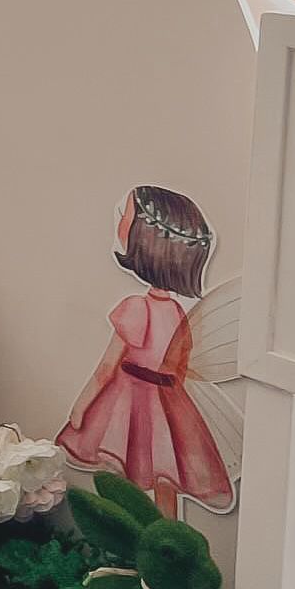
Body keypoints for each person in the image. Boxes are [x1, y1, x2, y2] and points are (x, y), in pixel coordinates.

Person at [58, 185, 235, 518]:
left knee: (119, 466)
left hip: (126, 401)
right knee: (162, 473)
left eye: (125, 217)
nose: (119, 224)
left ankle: (120, 528)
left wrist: (82, 405)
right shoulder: (177, 313)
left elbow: (106, 367)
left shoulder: (138, 308)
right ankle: (165, 531)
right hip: (167, 405)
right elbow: (180, 365)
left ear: (144, 241)